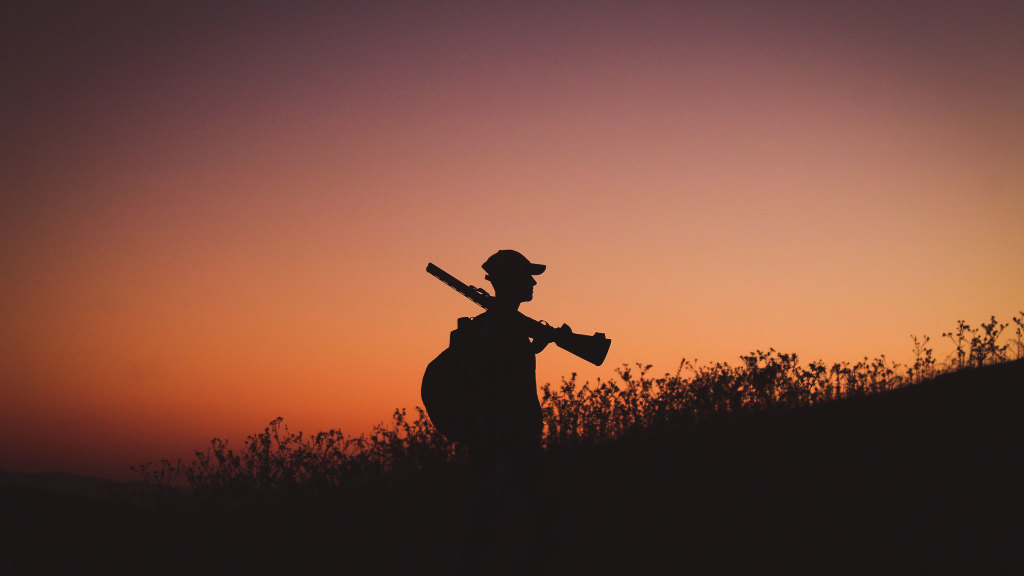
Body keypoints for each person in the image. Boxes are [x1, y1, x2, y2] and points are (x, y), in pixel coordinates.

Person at [458, 250, 566, 574]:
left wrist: (537, 344)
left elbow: (504, 366)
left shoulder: (503, 326)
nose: (532, 282)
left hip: (503, 436)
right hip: (508, 437)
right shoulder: (501, 326)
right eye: (525, 277)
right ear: (507, 282)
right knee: (529, 515)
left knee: (498, 513)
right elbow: (499, 379)